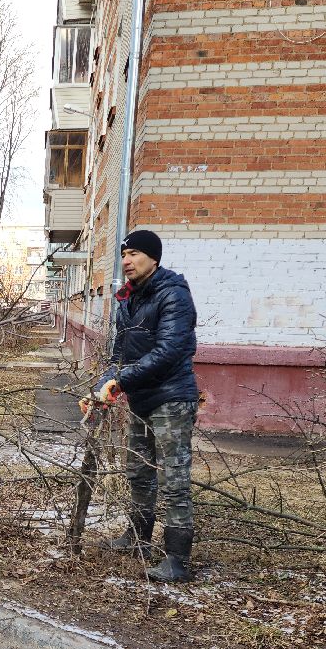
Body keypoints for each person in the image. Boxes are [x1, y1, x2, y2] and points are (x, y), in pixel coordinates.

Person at [83, 228, 199, 583]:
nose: (127, 260)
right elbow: (119, 357)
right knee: (139, 471)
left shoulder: (174, 295)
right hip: (142, 399)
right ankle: (138, 538)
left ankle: (177, 558)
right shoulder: (128, 299)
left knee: (174, 478)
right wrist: (100, 388)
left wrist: (122, 382)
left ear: (154, 257)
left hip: (172, 399)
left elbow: (169, 352)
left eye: (134, 253)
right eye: (124, 254)